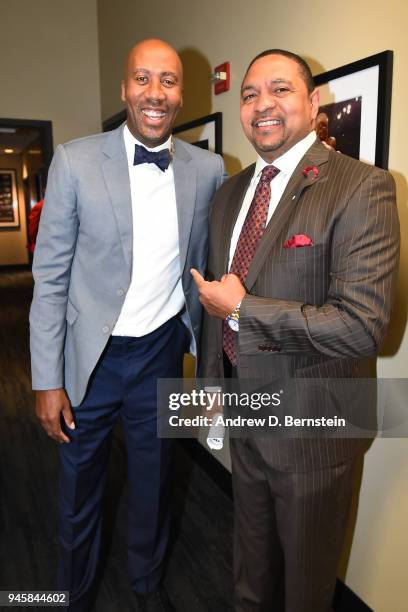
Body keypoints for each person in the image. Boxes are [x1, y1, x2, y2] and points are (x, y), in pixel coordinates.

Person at [192, 49, 399, 612]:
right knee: (250, 574)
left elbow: (363, 328)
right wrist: (212, 386)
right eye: (250, 93)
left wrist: (243, 311)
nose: (263, 104)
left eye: (280, 90)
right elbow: (214, 300)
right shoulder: (228, 195)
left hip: (315, 429)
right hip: (243, 411)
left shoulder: (363, 188)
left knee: (307, 590)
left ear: (313, 103)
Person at [30, 38, 226, 612]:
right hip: (89, 360)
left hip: (162, 354)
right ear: (124, 89)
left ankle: (146, 585)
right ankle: (73, 594)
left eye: (167, 81)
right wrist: (47, 379)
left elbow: (208, 268)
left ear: (181, 94)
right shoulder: (75, 160)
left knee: (155, 483)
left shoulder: (208, 167)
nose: (155, 93)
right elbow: (51, 280)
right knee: (79, 491)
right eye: (142, 79)